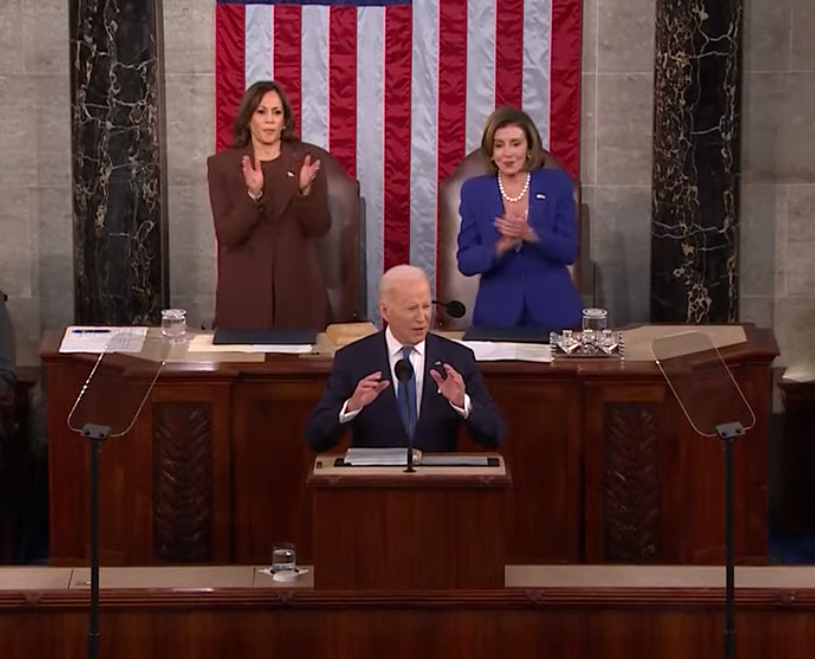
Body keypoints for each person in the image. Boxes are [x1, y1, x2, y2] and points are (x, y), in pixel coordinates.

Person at [306, 265, 506, 453]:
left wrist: (463, 403)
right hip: (376, 484)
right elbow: (317, 438)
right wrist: (351, 406)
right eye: (411, 309)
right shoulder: (353, 359)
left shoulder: (456, 358)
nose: (422, 318)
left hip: (438, 483)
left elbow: (495, 434)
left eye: (426, 307)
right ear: (385, 311)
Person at [207, 80, 332, 331]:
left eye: (277, 113)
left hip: (298, 294)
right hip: (246, 296)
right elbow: (228, 235)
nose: (270, 120)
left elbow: (319, 227)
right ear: (248, 118)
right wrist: (253, 196)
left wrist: (304, 191)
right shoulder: (222, 166)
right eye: (261, 112)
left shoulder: (307, 162)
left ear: (285, 120)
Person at [456, 107, 583, 330]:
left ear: (529, 148)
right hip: (496, 314)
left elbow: (569, 251)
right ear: (491, 151)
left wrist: (531, 235)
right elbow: (466, 262)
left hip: (555, 310)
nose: (507, 153)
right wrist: (500, 246)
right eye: (499, 145)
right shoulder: (474, 191)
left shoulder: (556, 184)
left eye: (516, 143)